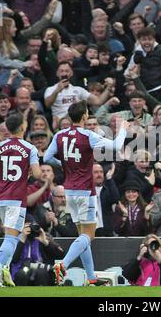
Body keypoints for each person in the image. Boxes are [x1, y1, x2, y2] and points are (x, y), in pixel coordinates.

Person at [44, 100, 129, 286]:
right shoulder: (88, 135)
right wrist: (123, 128)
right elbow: (115, 146)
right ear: (84, 116)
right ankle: (63, 265)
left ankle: (91, 277)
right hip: (85, 191)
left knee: (83, 235)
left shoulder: (59, 135)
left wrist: (64, 165)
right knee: (89, 235)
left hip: (69, 191)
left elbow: (47, 157)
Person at [0, 113, 41, 287]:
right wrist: (30, 171)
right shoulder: (30, 148)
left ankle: (5, 270)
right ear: (22, 127)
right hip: (16, 198)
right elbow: (37, 174)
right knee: (12, 238)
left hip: (0, 198)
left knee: (10, 235)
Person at [10, 218, 65, 286]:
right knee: (22, 273)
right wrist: (22, 240)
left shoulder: (44, 236)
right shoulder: (17, 239)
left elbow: (60, 255)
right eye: (28, 227)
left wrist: (45, 242)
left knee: (41, 272)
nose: (31, 230)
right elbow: (14, 260)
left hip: (42, 269)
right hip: (21, 268)